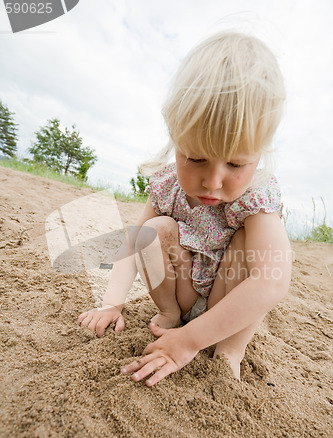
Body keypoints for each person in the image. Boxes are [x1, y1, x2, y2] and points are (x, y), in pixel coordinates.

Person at [78, 31, 292, 386]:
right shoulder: (168, 185)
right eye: (195, 158)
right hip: (183, 290)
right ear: (176, 139)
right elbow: (133, 243)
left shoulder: (257, 197)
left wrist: (190, 343)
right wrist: (111, 303)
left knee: (253, 250)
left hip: (229, 299)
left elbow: (272, 283)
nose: (212, 181)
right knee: (154, 230)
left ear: (259, 153)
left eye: (236, 165)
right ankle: (170, 314)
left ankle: (229, 351)